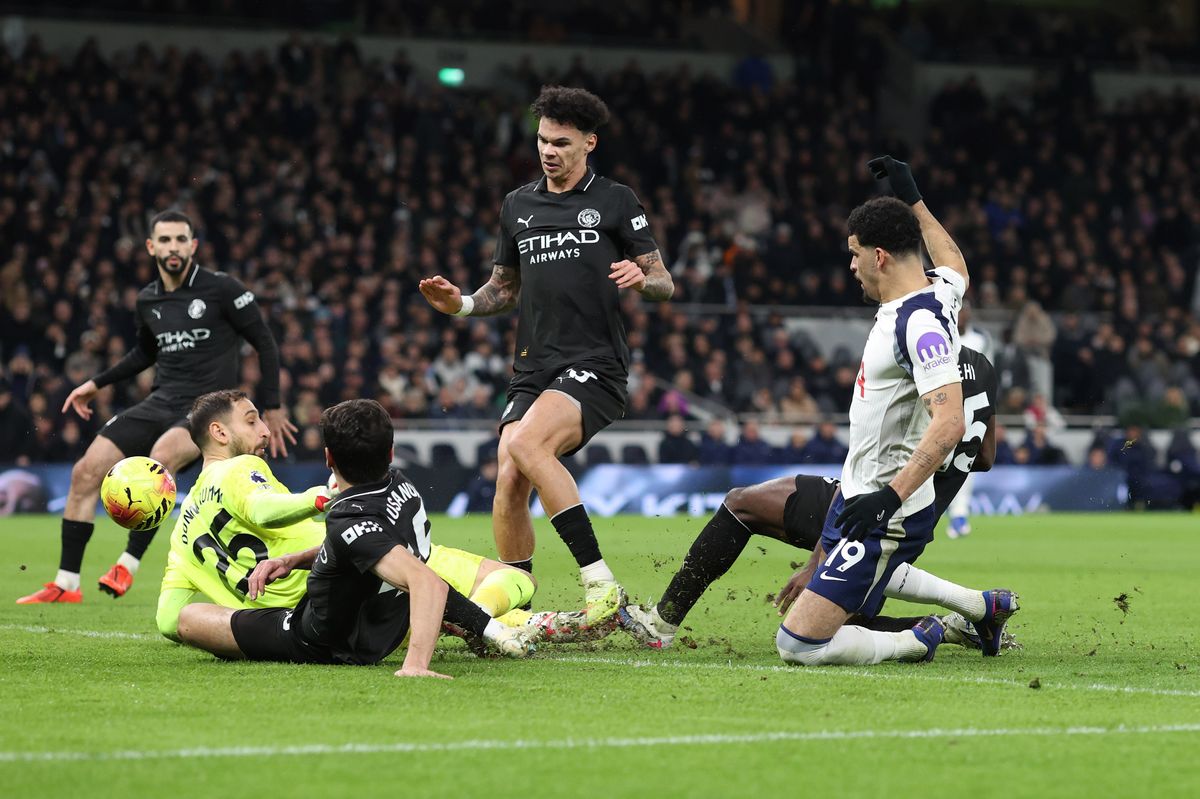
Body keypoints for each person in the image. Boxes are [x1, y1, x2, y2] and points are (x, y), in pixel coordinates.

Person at [418, 86, 673, 625]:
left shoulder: (615, 199)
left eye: (560, 142)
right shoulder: (518, 205)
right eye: (541, 140)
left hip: (595, 364)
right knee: (509, 471)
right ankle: (518, 603)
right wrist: (460, 304)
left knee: (530, 444)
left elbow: (663, 281)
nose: (548, 151)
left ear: (589, 143)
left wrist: (640, 277)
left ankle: (600, 583)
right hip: (533, 367)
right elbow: (503, 289)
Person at [774, 156, 1017, 667]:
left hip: (885, 507)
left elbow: (949, 420)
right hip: (862, 492)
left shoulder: (918, 325)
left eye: (855, 254)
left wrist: (889, 496)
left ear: (879, 257)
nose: (852, 265)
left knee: (796, 644)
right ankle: (982, 606)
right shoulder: (941, 294)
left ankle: (917, 639)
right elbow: (956, 262)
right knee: (874, 574)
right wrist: (914, 198)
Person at [619, 348, 1014, 654]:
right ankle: (964, 618)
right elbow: (986, 457)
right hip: (915, 517)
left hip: (874, 503)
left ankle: (946, 627)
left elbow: (874, 457)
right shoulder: (983, 367)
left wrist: (818, 558)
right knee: (746, 506)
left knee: (822, 627)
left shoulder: (918, 360)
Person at [159, 391, 591, 649]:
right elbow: (260, 508)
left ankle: (470, 621)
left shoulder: (180, 532)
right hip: (371, 567)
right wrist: (319, 498)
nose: (266, 431)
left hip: (309, 611)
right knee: (517, 582)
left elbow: (168, 619)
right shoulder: (236, 470)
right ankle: (485, 621)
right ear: (219, 433)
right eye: (252, 421)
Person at [18, 210, 297, 605]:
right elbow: (144, 353)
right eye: (164, 240)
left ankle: (127, 563)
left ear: (192, 246)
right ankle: (66, 583)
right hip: (159, 400)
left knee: (161, 458)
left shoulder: (222, 289)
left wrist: (273, 406)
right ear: (151, 246)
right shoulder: (149, 298)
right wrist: (95, 384)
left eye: (181, 240)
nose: (173, 247)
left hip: (205, 408)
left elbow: (265, 341)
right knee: (85, 472)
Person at [946, 299, 994, 537]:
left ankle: (959, 514)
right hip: (944, 408)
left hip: (973, 407)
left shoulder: (980, 341)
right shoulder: (943, 337)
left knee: (966, 459)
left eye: (967, 310)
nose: (963, 314)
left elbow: (988, 371)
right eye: (959, 310)